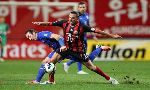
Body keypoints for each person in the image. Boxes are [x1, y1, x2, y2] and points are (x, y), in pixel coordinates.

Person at [32, 11, 122, 84]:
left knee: (91, 67)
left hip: (78, 51)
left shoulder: (82, 26)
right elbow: (50, 23)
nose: (70, 19)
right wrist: (40, 23)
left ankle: (109, 78)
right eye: (69, 17)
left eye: (73, 18)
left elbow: (97, 31)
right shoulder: (64, 23)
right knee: (51, 62)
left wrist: (111, 35)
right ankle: (51, 81)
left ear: (77, 19)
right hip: (66, 49)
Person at [25, 29, 111, 84]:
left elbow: (58, 37)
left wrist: (62, 45)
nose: (29, 38)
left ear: (33, 33)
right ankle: (42, 81)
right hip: (59, 50)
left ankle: (100, 49)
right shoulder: (39, 37)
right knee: (47, 62)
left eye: (29, 36)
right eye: (27, 37)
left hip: (68, 49)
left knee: (90, 65)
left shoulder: (41, 35)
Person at [63, 1, 99, 74]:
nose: (82, 8)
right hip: (77, 39)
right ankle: (79, 70)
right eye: (81, 7)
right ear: (78, 8)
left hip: (84, 38)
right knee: (81, 54)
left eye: (84, 7)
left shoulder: (87, 15)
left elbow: (88, 27)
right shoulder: (75, 17)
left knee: (83, 54)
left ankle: (68, 64)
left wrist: (93, 36)